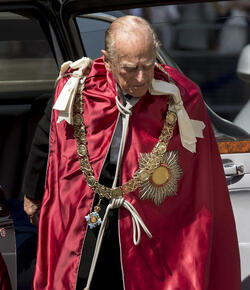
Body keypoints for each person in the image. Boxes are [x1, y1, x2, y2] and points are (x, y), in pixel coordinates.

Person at [23, 15, 241, 290]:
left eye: (147, 66)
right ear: (108, 59)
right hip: (88, 214)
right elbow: (48, 138)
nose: (140, 78)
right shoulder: (78, 90)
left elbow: (201, 179)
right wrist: (32, 194)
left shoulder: (182, 98)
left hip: (153, 229)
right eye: (130, 68)